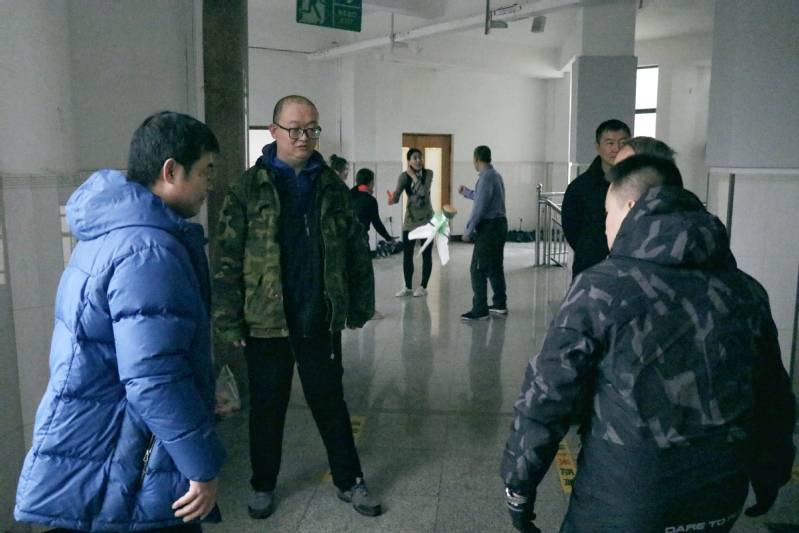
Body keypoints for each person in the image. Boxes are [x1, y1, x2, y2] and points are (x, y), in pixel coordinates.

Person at [501, 154, 796, 533]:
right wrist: (771, 472)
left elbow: (547, 396)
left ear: (629, 208)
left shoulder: (600, 289)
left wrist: (519, 487)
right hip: (721, 494)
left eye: (607, 214)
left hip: (625, 497)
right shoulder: (746, 290)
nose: (606, 227)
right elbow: (773, 395)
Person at [14, 112, 227, 533]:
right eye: (206, 171)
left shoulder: (112, 233)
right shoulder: (150, 249)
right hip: (128, 449)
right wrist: (201, 465)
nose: (210, 184)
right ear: (171, 171)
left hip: (101, 436)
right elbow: (154, 376)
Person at [213, 95, 381, 519]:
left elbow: (356, 249)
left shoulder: (332, 187)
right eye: (294, 129)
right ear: (274, 131)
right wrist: (228, 319)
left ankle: (349, 480)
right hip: (265, 320)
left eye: (311, 129)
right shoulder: (247, 189)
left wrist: (360, 305)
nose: (303, 137)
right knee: (267, 409)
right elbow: (227, 257)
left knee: (331, 403)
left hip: (317, 316)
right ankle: (263, 485)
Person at [561, 119, 630, 278]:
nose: (616, 149)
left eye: (623, 142)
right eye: (610, 143)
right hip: (591, 267)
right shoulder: (580, 187)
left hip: (630, 268)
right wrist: (590, 250)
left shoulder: (640, 182)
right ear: (598, 147)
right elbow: (571, 229)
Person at [458, 145, 508, 321]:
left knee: (477, 269)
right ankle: (500, 303)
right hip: (500, 225)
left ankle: (480, 309)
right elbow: (482, 197)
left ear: (475, 159)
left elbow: (480, 207)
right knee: (495, 266)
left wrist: (468, 229)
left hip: (490, 228)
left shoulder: (486, 178)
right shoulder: (495, 175)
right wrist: (467, 192)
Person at [388, 147, 435, 297]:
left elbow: (423, 192)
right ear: (409, 161)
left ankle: (423, 287)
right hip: (411, 219)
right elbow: (397, 196)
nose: (418, 160)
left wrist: (414, 176)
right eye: (415, 158)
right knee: (407, 254)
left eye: (420, 157)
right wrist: (392, 199)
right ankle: (408, 287)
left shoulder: (428, 173)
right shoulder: (404, 177)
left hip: (427, 219)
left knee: (426, 253)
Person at [351, 168, 396, 320]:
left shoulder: (350, 195)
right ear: (371, 182)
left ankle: (352, 309)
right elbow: (376, 223)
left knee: (352, 276)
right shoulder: (369, 200)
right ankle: (369, 311)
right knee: (366, 277)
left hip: (347, 241)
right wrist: (389, 238)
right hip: (360, 242)